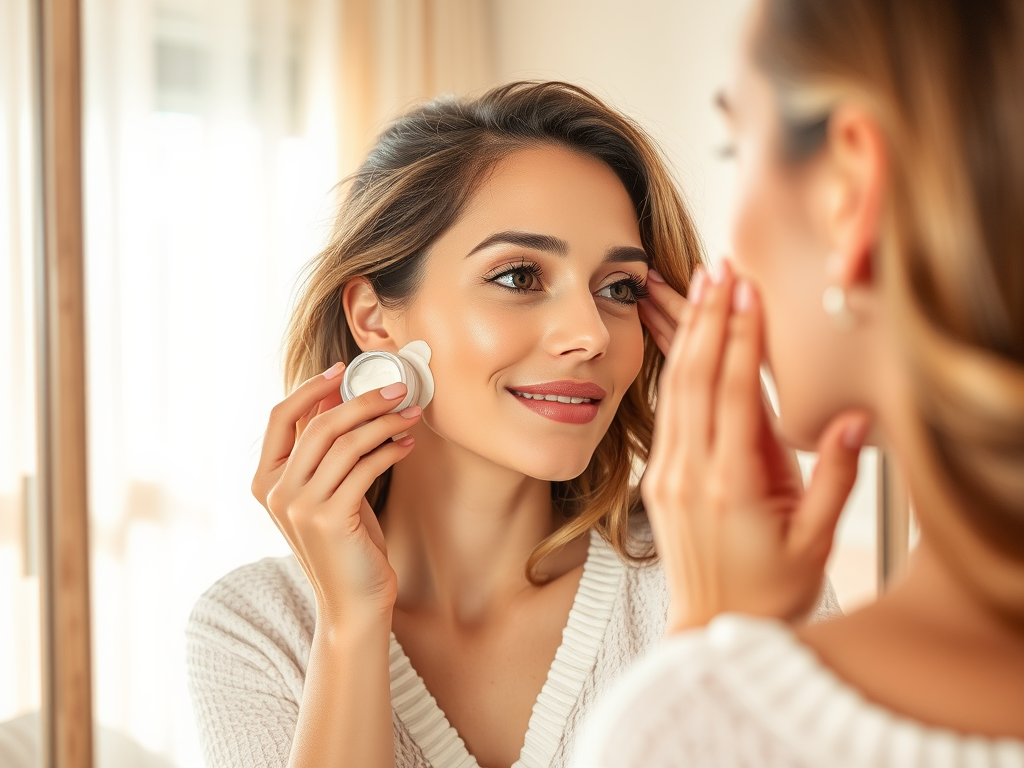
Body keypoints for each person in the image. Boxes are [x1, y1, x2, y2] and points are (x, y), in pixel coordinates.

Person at [185, 80, 840, 768]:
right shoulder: (257, 629)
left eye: (618, 289)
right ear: (374, 317)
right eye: (520, 276)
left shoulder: (704, 573)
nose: (590, 334)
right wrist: (350, 626)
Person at [574, 0, 1024, 766]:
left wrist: (714, 672)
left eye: (733, 146)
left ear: (849, 191)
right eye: (518, 277)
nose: (584, 336)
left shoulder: (692, 725)